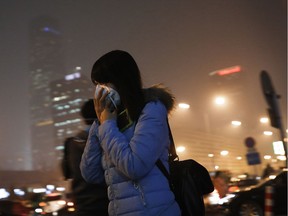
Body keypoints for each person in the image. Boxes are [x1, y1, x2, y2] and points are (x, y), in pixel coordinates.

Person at [80, 50, 181, 216]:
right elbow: (90, 173)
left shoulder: (151, 108)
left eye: (104, 82)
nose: (100, 89)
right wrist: (99, 123)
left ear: (121, 79)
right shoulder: (108, 119)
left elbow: (135, 166)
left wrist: (107, 125)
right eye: (97, 84)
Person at [62, 99, 109, 216]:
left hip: (83, 206)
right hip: (108, 205)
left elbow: (66, 174)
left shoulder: (70, 143)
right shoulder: (108, 139)